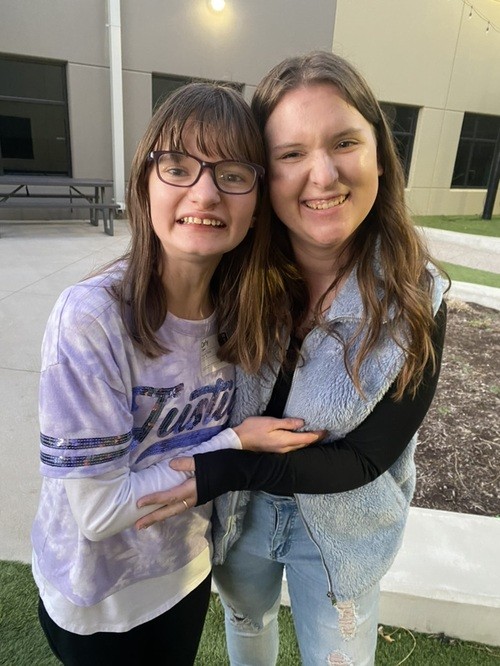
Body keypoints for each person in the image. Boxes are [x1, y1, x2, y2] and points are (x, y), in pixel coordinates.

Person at [136, 52, 448, 666]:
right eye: (291, 153)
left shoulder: (417, 295)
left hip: (341, 527)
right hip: (240, 518)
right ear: (263, 174)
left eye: (344, 143)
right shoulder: (232, 270)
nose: (322, 175)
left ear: (380, 155)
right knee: (247, 626)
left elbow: (366, 457)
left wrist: (223, 468)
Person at [31, 82, 321, 666]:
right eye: (178, 167)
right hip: (99, 602)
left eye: (233, 175)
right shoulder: (91, 320)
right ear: (144, 183)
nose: (205, 192)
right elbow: (100, 514)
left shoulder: (243, 316)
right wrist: (234, 444)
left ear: (256, 205)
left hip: (185, 574)